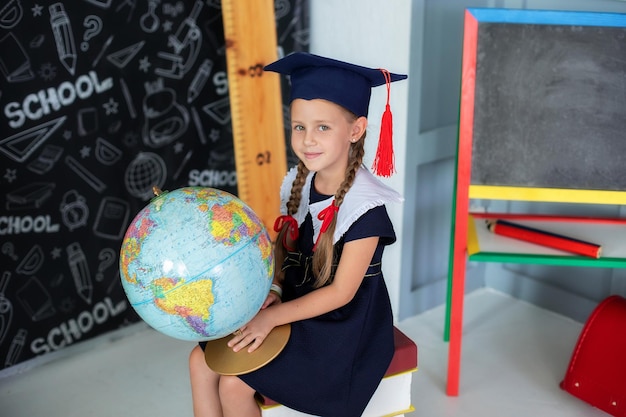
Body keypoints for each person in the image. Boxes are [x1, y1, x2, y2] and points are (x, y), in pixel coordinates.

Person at [189, 52, 407, 417]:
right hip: (297, 306)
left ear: (356, 130)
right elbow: (286, 249)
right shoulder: (302, 182)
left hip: (341, 331)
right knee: (200, 361)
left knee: (234, 381)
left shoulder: (366, 209)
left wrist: (273, 318)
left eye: (323, 127)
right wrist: (274, 291)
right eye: (299, 127)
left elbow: (341, 293)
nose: (308, 140)